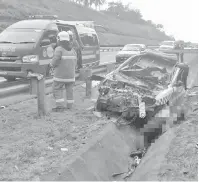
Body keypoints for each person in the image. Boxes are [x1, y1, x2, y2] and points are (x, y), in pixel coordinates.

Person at [50, 31, 77, 112]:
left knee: (57, 89)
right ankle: (70, 106)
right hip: (71, 76)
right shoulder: (73, 50)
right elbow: (75, 62)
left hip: (60, 76)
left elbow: (55, 61)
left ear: (59, 39)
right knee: (70, 90)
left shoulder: (59, 49)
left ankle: (60, 107)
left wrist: (50, 65)